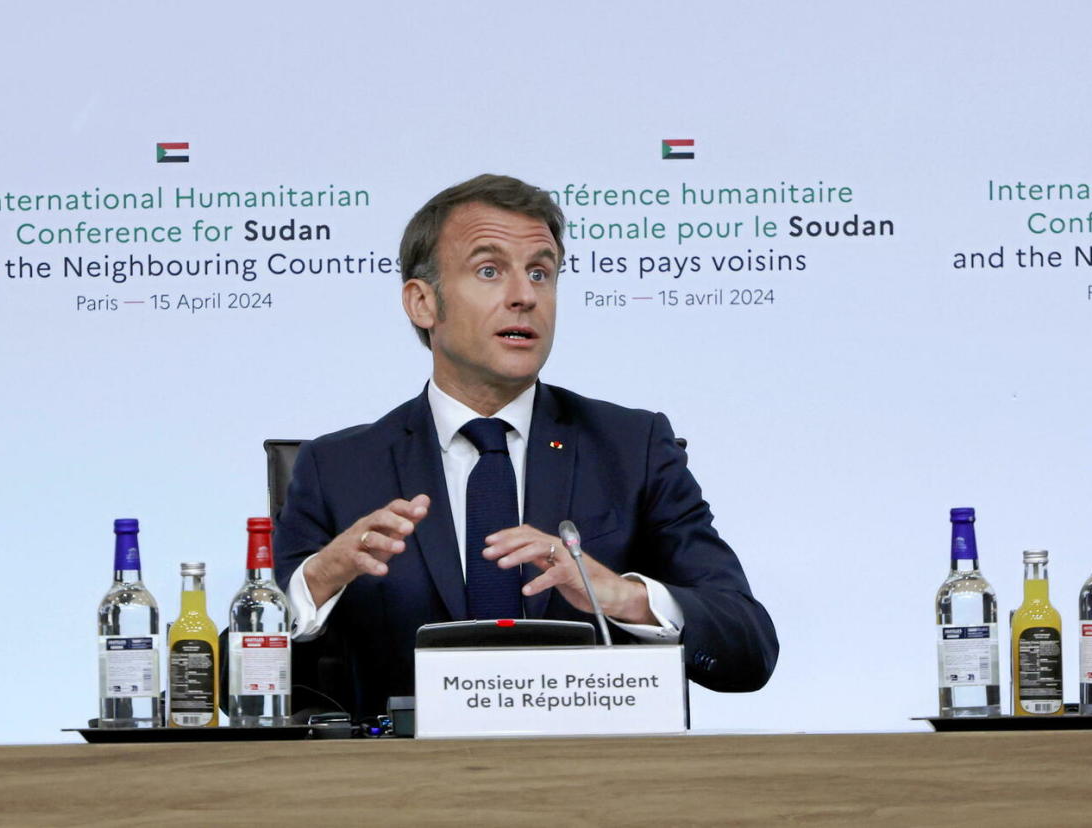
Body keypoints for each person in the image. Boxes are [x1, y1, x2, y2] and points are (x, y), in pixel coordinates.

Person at [274, 174, 778, 716]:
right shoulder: (339, 469)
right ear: (423, 303)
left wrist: (622, 597)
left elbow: (749, 648)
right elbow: (249, 678)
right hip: (402, 786)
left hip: (597, 783)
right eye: (489, 271)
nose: (525, 296)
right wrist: (321, 580)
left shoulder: (633, 450)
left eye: (541, 272)